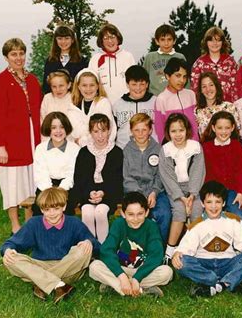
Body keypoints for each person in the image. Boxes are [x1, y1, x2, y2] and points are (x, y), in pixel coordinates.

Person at [0, 187, 100, 303]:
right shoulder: (34, 223)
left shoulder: (74, 222)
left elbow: (96, 246)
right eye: (47, 210)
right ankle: (59, 285)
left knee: (83, 250)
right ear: (41, 210)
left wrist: (89, 242)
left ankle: (41, 283)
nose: (52, 214)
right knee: (11, 259)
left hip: (68, 267)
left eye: (56, 209)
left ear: (64, 207)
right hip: (41, 265)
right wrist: (7, 250)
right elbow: (10, 243)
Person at [172, 181, 242, 297]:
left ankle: (221, 284)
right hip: (204, 265)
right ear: (202, 203)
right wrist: (177, 253)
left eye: (218, 202)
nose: (213, 206)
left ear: (224, 203)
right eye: (209, 202)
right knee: (181, 261)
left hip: (228, 263)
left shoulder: (233, 220)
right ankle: (215, 280)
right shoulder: (196, 225)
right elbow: (185, 247)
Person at [0, 38, 42, 234]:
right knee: (12, 182)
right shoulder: (1, 81)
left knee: (30, 180)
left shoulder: (32, 80)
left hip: (32, 139)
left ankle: (28, 222)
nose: (18, 58)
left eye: (21, 53)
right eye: (13, 54)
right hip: (11, 140)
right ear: (6, 57)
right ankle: (15, 224)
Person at [89, 192, 173, 298]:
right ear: (123, 213)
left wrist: (137, 277)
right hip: (121, 269)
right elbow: (106, 250)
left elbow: (156, 255)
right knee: (94, 267)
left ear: (147, 212)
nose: (136, 219)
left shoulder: (152, 227)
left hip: (142, 271)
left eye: (140, 214)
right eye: (131, 214)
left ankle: (117, 286)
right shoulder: (118, 224)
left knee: (167, 272)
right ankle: (139, 290)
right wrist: (122, 276)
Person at [159, 114, 205, 264]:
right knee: (179, 210)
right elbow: (167, 177)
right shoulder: (166, 150)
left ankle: (195, 250)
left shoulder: (195, 147)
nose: (178, 135)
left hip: (193, 188)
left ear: (187, 131)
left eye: (181, 130)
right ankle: (169, 250)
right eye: (173, 131)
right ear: (168, 132)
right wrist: (181, 197)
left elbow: (198, 172)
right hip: (175, 189)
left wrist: (192, 195)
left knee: (197, 208)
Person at [71, 114, 123, 243]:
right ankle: (90, 247)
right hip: (87, 193)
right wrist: (89, 192)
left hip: (109, 193)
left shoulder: (116, 152)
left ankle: (103, 247)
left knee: (100, 212)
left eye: (103, 131)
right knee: (87, 211)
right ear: (90, 132)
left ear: (109, 131)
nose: (100, 136)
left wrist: (102, 192)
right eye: (96, 131)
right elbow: (79, 178)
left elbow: (117, 180)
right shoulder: (84, 152)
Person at [122, 113, 171, 243]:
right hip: (134, 192)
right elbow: (127, 177)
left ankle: (160, 246)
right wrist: (140, 195)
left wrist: (154, 193)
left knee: (164, 213)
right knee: (138, 214)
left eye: (144, 130)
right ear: (131, 131)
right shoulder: (126, 150)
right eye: (136, 130)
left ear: (150, 130)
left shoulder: (158, 149)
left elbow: (161, 175)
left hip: (156, 192)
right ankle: (140, 246)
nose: (140, 134)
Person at [202, 111, 242, 220]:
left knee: (238, 216)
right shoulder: (205, 147)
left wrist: (240, 193)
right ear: (213, 128)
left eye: (227, 128)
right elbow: (202, 174)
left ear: (232, 128)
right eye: (220, 128)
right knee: (208, 217)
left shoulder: (238, 147)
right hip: (212, 192)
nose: (223, 132)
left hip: (233, 191)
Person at [33, 112, 80, 216]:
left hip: (67, 187)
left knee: (66, 209)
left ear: (66, 129)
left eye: (62, 127)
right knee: (39, 209)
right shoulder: (40, 148)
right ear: (48, 129)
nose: (58, 131)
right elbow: (40, 173)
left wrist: (60, 191)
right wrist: (49, 192)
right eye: (53, 127)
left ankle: (65, 231)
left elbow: (71, 174)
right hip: (45, 186)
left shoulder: (74, 149)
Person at [88, 23, 136, 105]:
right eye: (105, 38)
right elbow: (90, 83)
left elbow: (135, 81)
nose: (110, 41)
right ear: (101, 41)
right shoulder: (95, 59)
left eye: (113, 37)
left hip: (126, 104)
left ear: (118, 39)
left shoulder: (128, 57)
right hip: (102, 105)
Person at [68, 68, 117, 147]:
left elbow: (105, 131)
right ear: (78, 86)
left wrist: (81, 141)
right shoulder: (73, 107)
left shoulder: (104, 103)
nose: (88, 89)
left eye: (92, 85)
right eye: (84, 85)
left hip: (103, 150)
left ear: (98, 86)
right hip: (80, 153)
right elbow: (75, 133)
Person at [154, 58, 198, 142]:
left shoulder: (191, 94)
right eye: (178, 75)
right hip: (174, 149)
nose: (182, 80)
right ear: (167, 76)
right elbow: (160, 132)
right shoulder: (161, 99)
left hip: (194, 146)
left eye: (184, 77)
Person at [113, 65, 157, 149]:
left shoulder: (156, 102)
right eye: (134, 84)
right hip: (124, 151)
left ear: (147, 84)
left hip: (151, 151)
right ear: (127, 84)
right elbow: (112, 132)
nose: (138, 88)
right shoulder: (118, 105)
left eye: (142, 84)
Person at [191, 26, 240, 102]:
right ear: (206, 42)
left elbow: (236, 86)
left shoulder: (230, 62)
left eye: (218, 40)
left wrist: (235, 105)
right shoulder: (199, 63)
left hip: (227, 105)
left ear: (223, 42)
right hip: (207, 106)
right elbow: (195, 88)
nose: (215, 43)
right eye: (211, 40)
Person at [42, 25, 88, 94]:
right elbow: (46, 86)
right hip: (55, 101)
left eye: (67, 38)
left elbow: (85, 84)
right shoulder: (50, 60)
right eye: (60, 38)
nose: (63, 42)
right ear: (55, 40)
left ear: (72, 40)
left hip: (75, 101)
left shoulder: (81, 61)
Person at [143, 24, 187, 95]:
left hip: (175, 98)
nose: (166, 43)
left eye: (169, 39)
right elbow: (143, 79)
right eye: (162, 40)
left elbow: (185, 80)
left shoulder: (180, 57)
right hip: (154, 98)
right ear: (157, 41)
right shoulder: (150, 57)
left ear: (174, 40)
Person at [194, 71, 240, 138]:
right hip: (206, 147)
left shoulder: (229, 107)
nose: (208, 89)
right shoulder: (197, 111)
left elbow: (236, 132)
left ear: (216, 86)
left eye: (211, 85)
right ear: (201, 90)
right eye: (204, 86)